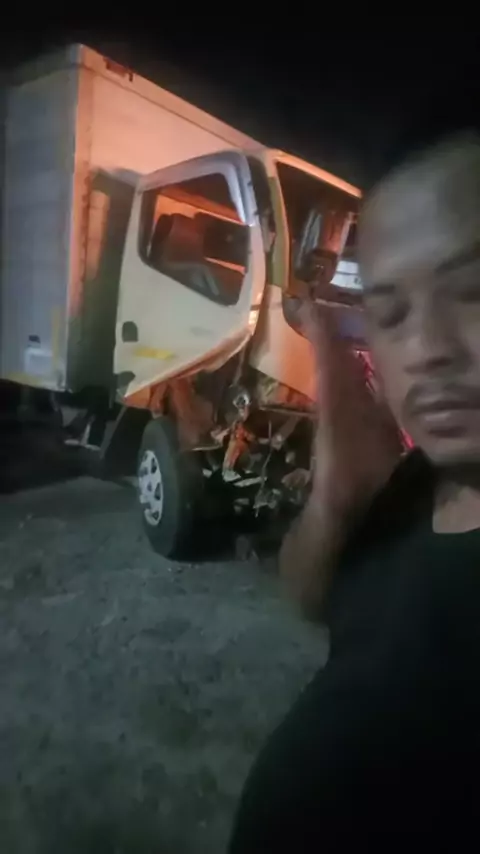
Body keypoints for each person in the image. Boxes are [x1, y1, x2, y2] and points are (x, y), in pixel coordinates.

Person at [229, 134, 480, 849]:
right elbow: (318, 600)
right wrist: (337, 499)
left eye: (474, 292)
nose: (426, 349)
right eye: (391, 313)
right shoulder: (421, 482)